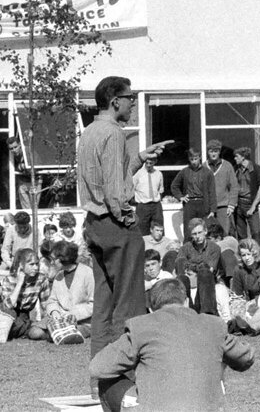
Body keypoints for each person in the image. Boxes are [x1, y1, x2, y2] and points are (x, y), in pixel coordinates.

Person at [78, 75, 166, 401]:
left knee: (103, 306)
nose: (133, 102)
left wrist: (139, 157)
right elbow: (116, 191)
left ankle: (99, 383)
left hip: (95, 225)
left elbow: (106, 179)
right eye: (130, 97)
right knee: (129, 308)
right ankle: (124, 384)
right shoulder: (114, 133)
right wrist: (129, 219)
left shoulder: (89, 131)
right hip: (116, 225)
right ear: (116, 100)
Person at [88, 278, 254, 412]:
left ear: (152, 309)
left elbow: (98, 368)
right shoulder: (214, 325)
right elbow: (246, 358)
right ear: (187, 302)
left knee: (106, 382)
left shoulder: (141, 326)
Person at [40, 241, 94, 341]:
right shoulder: (59, 276)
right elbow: (52, 300)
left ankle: (58, 334)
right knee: (35, 332)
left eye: (54, 259)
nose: (51, 262)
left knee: (70, 332)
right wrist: (54, 311)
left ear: (63, 258)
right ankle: (57, 333)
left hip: (82, 321)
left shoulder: (87, 273)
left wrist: (73, 314)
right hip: (59, 319)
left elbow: (93, 304)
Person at [0, 247, 51, 340]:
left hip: (24, 317)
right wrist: (19, 283)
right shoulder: (10, 280)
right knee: (10, 320)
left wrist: (46, 321)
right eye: (31, 264)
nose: (35, 268)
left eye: (37, 264)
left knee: (36, 333)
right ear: (21, 265)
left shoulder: (41, 279)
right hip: (8, 315)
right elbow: (8, 306)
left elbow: (46, 304)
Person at [173, 148, 216, 239]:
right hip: (189, 204)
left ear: (200, 158)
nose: (194, 162)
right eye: (191, 159)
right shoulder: (185, 171)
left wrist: (212, 209)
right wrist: (181, 197)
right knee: (189, 230)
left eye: (196, 159)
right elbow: (174, 186)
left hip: (203, 203)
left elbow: (212, 191)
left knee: (204, 229)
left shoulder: (207, 172)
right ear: (189, 159)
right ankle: (188, 249)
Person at [205, 139, 238, 235]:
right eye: (211, 151)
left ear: (219, 152)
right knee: (209, 233)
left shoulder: (227, 166)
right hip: (208, 207)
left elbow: (234, 187)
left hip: (223, 206)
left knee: (224, 233)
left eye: (216, 151)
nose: (214, 154)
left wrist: (231, 205)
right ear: (208, 152)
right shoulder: (203, 167)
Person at [233, 147, 260, 241]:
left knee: (256, 233)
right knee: (241, 233)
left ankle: (257, 253)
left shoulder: (256, 169)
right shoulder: (236, 169)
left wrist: (253, 206)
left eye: (236, 156)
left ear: (243, 157)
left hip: (251, 203)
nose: (234, 158)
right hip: (239, 204)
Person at [132, 156, 164, 235]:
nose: (149, 165)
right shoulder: (138, 174)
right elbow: (131, 189)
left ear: (155, 162)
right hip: (143, 206)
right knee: (142, 230)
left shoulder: (158, 174)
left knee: (159, 228)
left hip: (156, 206)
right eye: (146, 163)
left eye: (151, 163)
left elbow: (161, 190)